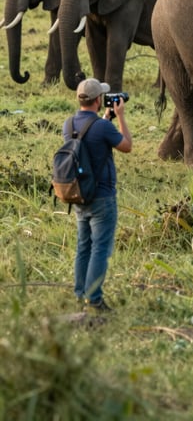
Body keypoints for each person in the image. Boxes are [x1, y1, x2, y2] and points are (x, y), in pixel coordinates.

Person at [68, 78, 132, 312]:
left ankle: (80, 293)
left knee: (83, 246)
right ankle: (94, 298)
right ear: (98, 99)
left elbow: (90, 136)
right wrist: (120, 117)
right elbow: (126, 146)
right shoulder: (103, 128)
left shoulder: (69, 124)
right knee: (100, 249)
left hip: (79, 194)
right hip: (102, 197)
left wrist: (105, 117)